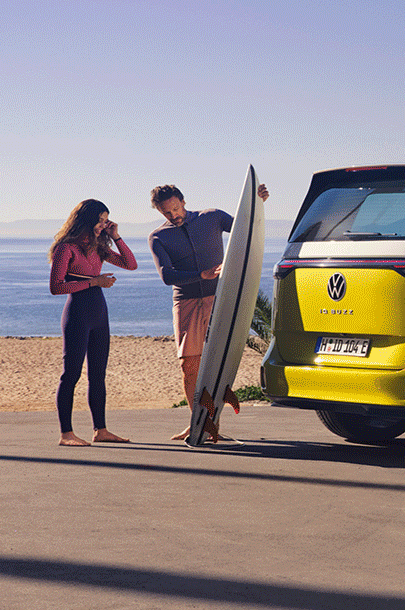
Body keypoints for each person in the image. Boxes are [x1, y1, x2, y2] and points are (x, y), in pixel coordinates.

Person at [149, 181, 267, 442]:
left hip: (219, 297)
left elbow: (244, 231)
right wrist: (199, 274)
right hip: (186, 301)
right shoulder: (158, 237)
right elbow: (167, 275)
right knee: (189, 365)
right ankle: (197, 423)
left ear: (183, 201)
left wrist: (257, 204)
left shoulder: (211, 217)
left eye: (176, 208)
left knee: (218, 361)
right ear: (160, 212)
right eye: (167, 213)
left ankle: (213, 423)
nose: (174, 215)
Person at [48, 199, 137, 447]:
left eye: (105, 220)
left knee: (98, 375)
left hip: (99, 314)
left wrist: (116, 237)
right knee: (71, 374)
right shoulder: (66, 249)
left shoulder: (99, 248)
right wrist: (94, 282)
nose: (102, 225)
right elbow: (56, 287)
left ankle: (101, 430)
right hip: (77, 313)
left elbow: (131, 264)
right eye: (99, 220)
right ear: (85, 220)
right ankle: (66, 434)